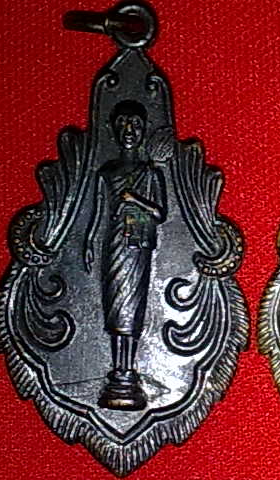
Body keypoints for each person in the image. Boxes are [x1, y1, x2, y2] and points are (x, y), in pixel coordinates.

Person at [86, 100, 167, 410]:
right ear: (114, 131)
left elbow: (160, 213)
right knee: (114, 307)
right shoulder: (106, 172)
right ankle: (118, 371)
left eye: (135, 125)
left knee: (132, 309)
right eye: (123, 125)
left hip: (138, 246)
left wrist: (135, 199)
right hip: (115, 244)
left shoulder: (150, 174)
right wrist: (89, 243)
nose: (129, 131)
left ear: (144, 130)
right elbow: (97, 214)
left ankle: (127, 370)